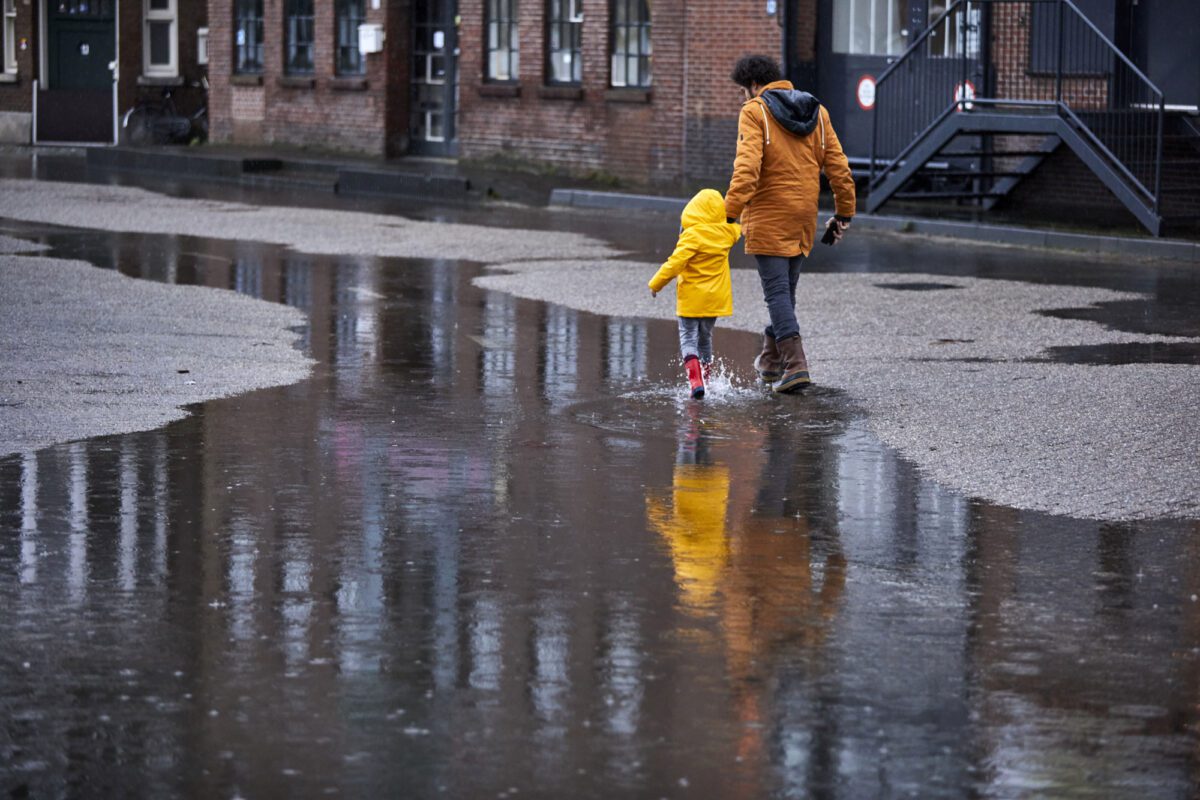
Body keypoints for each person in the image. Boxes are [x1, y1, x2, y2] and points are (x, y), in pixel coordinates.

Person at [725, 54, 857, 394]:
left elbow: (747, 169)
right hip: (803, 215)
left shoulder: (755, 112)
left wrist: (728, 212)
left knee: (778, 294)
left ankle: (796, 366)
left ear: (754, 85)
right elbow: (839, 168)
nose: (744, 98)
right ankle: (770, 362)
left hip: (768, 214)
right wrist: (844, 213)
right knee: (785, 293)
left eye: (744, 91)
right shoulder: (817, 111)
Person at [648, 188, 741, 399]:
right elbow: (736, 226)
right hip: (714, 299)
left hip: (691, 299)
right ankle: (706, 381)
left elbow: (675, 263)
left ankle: (695, 382)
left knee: (688, 338)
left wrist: (656, 284)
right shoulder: (727, 234)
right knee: (705, 338)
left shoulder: (692, 236)